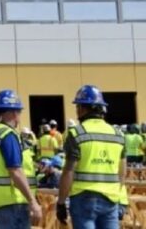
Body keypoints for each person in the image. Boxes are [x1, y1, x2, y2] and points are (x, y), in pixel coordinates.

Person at [56, 85, 126, 228]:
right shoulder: (118, 135)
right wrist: (119, 197)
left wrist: (61, 202)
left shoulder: (77, 133)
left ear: (82, 108)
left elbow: (68, 171)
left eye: (77, 107)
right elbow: (122, 173)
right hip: (111, 198)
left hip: (83, 198)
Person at [0, 89, 42, 228]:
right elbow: (15, 170)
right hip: (13, 202)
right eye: (19, 112)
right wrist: (32, 201)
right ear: (14, 113)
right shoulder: (8, 135)